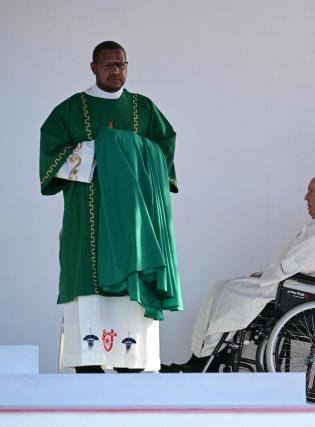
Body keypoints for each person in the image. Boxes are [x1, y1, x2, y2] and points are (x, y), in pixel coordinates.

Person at [39, 41, 181, 373]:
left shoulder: (143, 109)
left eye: (121, 65)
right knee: (89, 283)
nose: (116, 71)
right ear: (93, 68)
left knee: (129, 295)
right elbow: (51, 155)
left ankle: (131, 363)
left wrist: (127, 148)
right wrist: (99, 150)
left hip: (132, 223)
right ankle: (88, 364)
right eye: (108, 65)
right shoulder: (71, 110)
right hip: (87, 218)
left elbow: (164, 148)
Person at [168, 173, 315, 372]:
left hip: (300, 290)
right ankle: (205, 357)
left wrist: (268, 275)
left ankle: (208, 360)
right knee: (220, 288)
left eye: (311, 191)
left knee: (231, 290)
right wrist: (268, 273)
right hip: (296, 284)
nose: (305, 197)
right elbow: (303, 259)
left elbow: (301, 261)